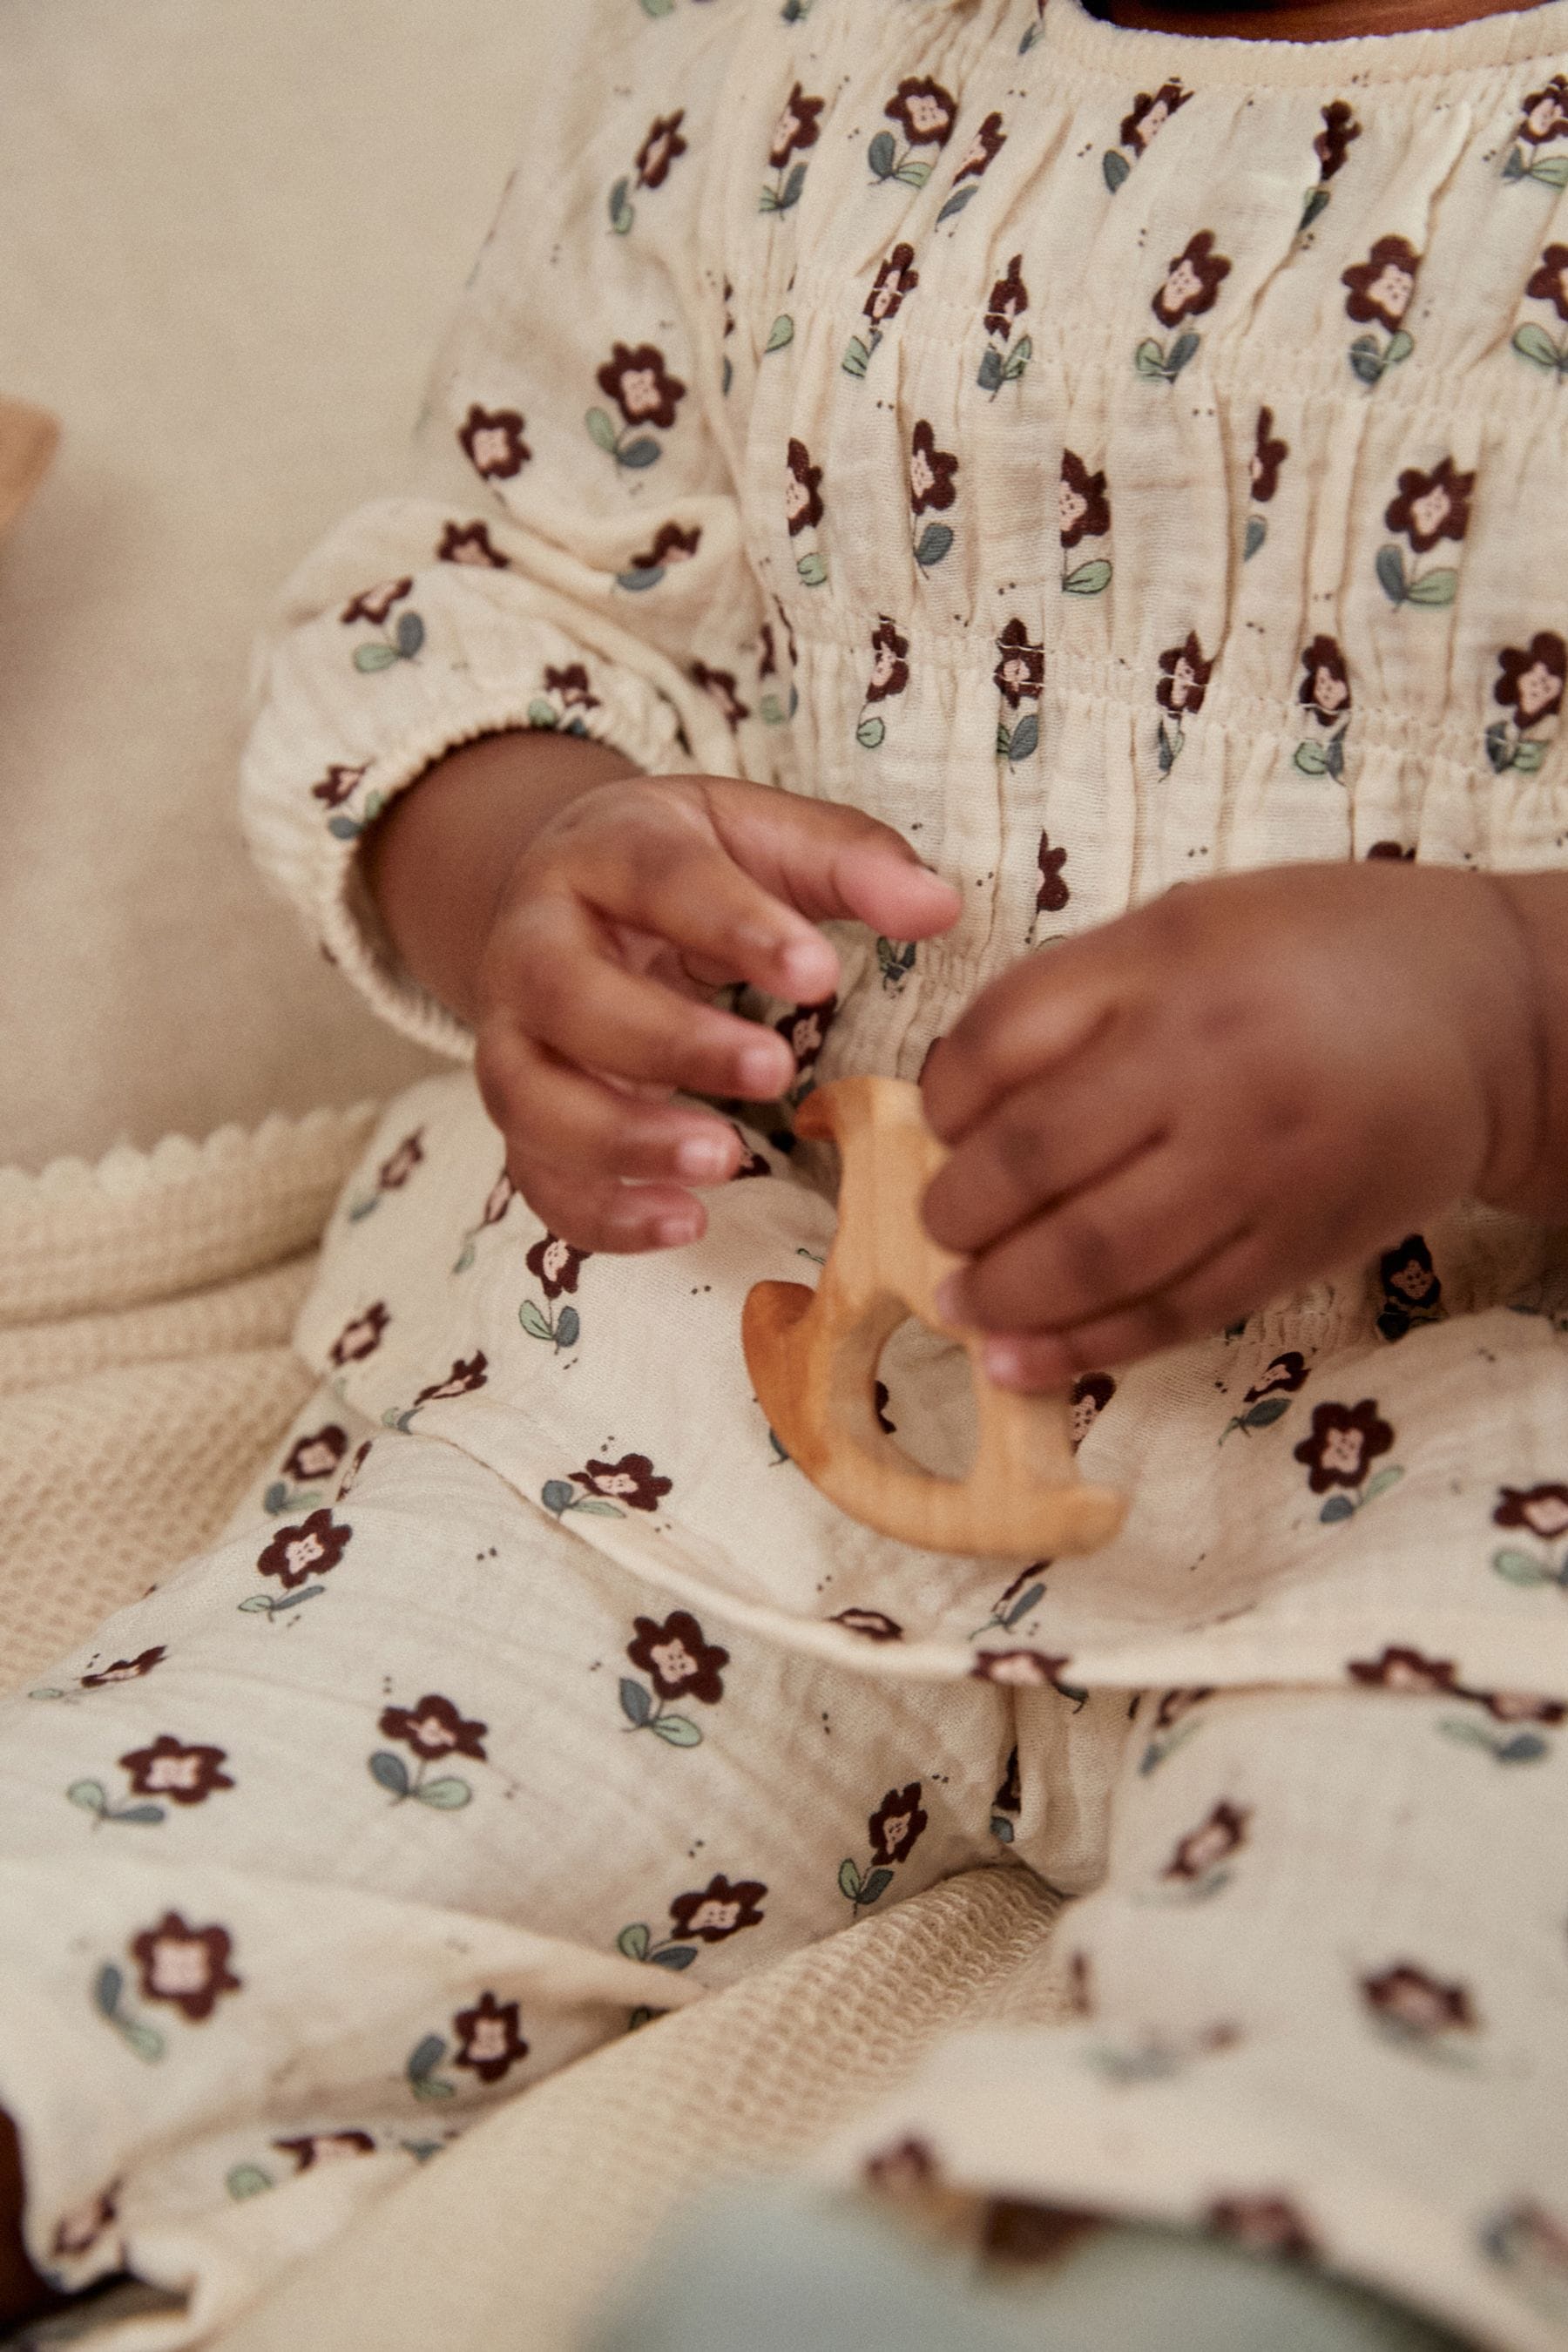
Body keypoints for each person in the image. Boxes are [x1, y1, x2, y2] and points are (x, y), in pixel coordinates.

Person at [2, 0, 1567, 2342]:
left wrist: (1505, 1019)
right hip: (680, 1416)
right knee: (172, 1815)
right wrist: (542, 861)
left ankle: (1164, 2273)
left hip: (1475, 1498)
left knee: (1458, 1939)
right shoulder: (767, 65)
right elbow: (479, 608)